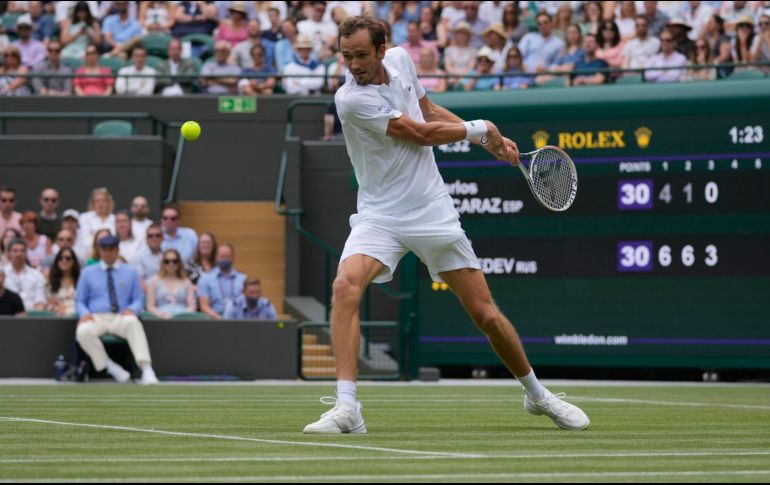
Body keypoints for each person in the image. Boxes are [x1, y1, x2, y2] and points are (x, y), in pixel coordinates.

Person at [302, 15, 590, 434]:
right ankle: (348, 408)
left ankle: (538, 396)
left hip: (431, 210)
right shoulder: (350, 99)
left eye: (362, 55)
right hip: (379, 214)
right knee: (346, 285)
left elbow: (428, 109)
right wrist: (480, 129)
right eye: (347, 56)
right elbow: (416, 132)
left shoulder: (402, 61)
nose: (354, 64)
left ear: (383, 50)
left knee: (486, 314)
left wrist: (490, 142)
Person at [75, 234, 158, 384]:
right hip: (96, 317)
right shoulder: (87, 272)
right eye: (105, 249)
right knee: (82, 331)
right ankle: (110, 367)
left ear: (117, 250)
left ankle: (146, 369)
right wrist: (85, 313)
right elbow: (80, 300)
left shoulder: (131, 272)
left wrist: (133, 309)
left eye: (111, 249)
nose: (108, 252)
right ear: (99, 251)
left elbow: (139, 299)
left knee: (133, 322)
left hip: (121, 316)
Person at [197, 243, 246, 320]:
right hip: (215, 319)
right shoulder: (206, 278)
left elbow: (246, 305)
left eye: (227, 257)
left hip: (238, 319)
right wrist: (219, 319)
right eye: (222, 257)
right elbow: (204, 306)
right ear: (216, 257)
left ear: (233, 257)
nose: (224, 260)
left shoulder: (243, 279)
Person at [146, 248, 196, 319]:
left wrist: (182, 315)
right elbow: (150, 306)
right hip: (160, 320)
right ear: (163, 263)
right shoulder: (155, 281)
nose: (171, 264)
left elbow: (192, 307)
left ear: (179, 263)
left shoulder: (186, 282)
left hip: (183, 320)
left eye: (174, 261)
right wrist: (161, 314)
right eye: (167, 261)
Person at [3, 238, 46, 311]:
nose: (19, 254)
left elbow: (40, 301)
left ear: (26, 253)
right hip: (6, 316)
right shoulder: (2, 273)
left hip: (30, 316)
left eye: (22, 251)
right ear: (9, 253)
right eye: (15, 251)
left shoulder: (37, 275)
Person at [78, 188, 116, 253]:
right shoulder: (84, 217)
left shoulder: (115, 219)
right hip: (89, 254)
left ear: (109, 202)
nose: (100, 204)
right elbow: (84, 239)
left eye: (103, 201)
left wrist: (94, 235)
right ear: (93, 203)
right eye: (97, 201)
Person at [46, 247, 80, 317]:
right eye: (60, 258)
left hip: (75, 315)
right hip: (56, 315)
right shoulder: (51, 281)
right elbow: (49, 302)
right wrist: (57, 308)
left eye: (68, 258)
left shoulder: (80, 280)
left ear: (73, 261)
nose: (64, 260)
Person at [131, 224, 164, 289]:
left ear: (162, 238)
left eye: (157, 235)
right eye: (150, 236)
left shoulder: (168, 255)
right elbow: (139, 282)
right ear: (146, 239)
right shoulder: (138, 256)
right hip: (147, 294)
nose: (154, 238)